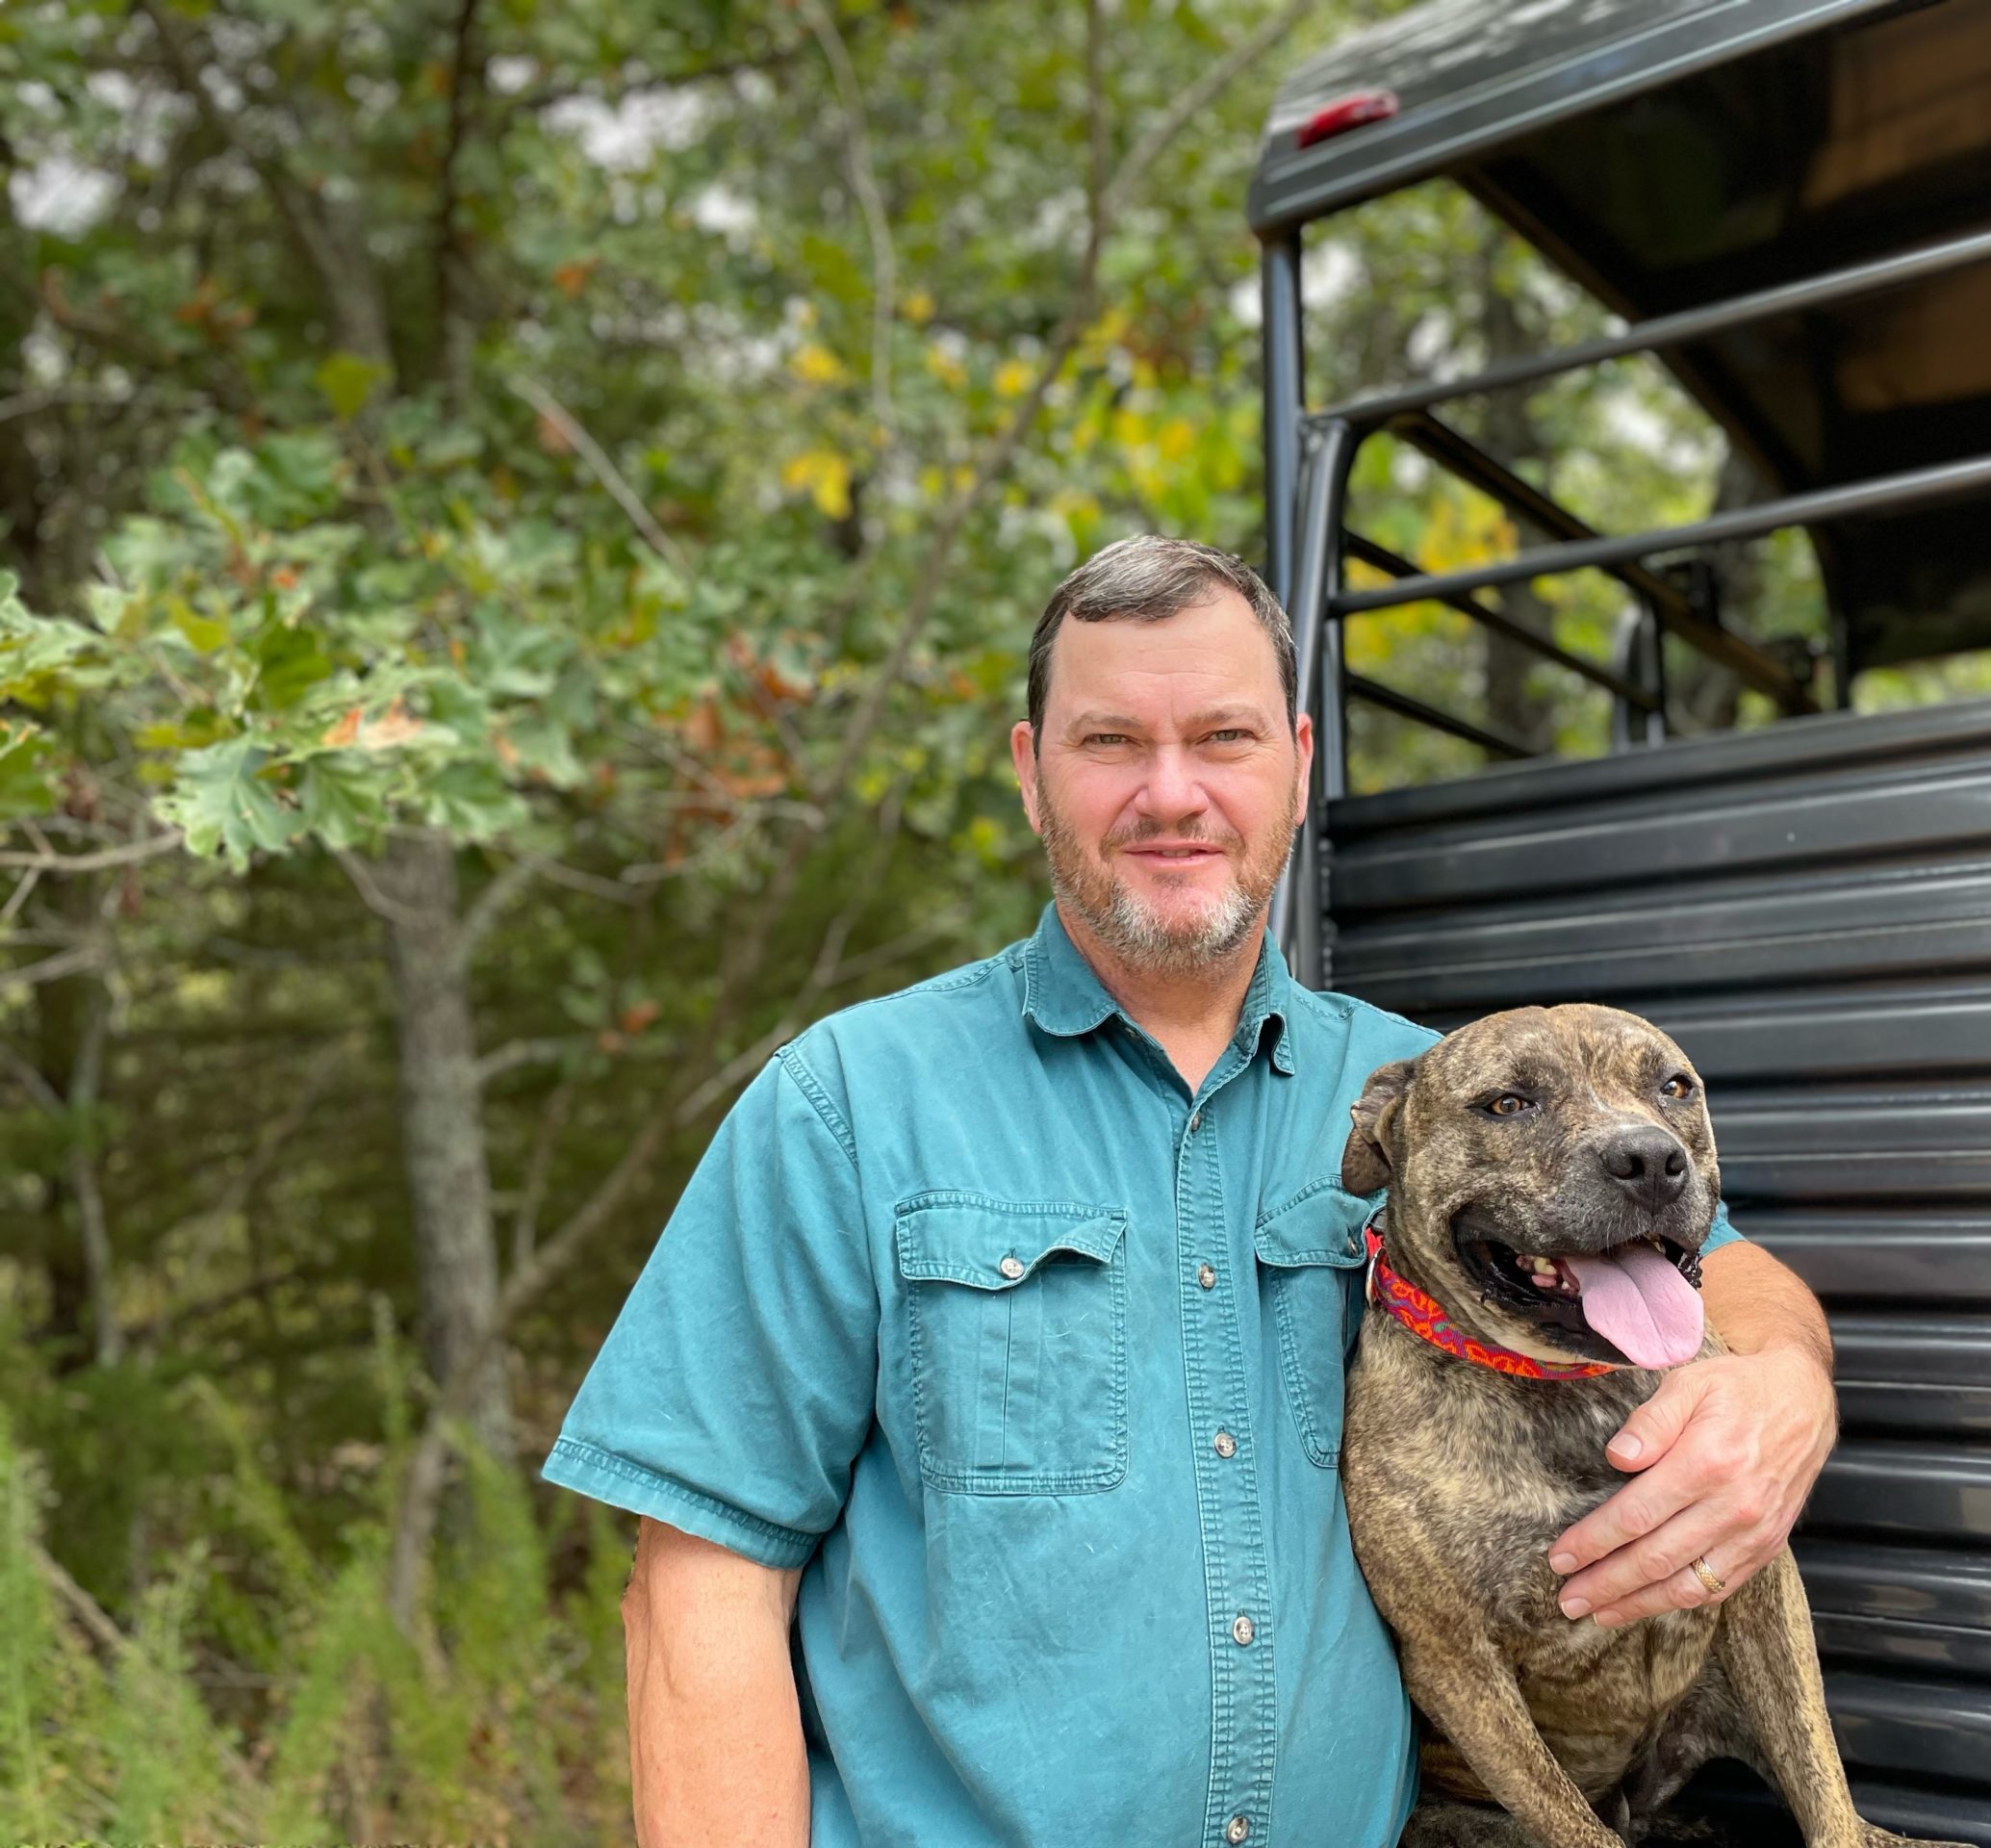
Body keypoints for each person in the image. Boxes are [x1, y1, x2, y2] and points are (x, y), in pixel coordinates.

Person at [543, 535, 1842, 1848]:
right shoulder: (851, 1103)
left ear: (1295, 767)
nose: (1173, 794)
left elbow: (1705, 1257)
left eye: (1222, 738)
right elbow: (700, 1591)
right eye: (1111, 742)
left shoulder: (1436, 1093)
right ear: (1031, 774)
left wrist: (1785, 1382)